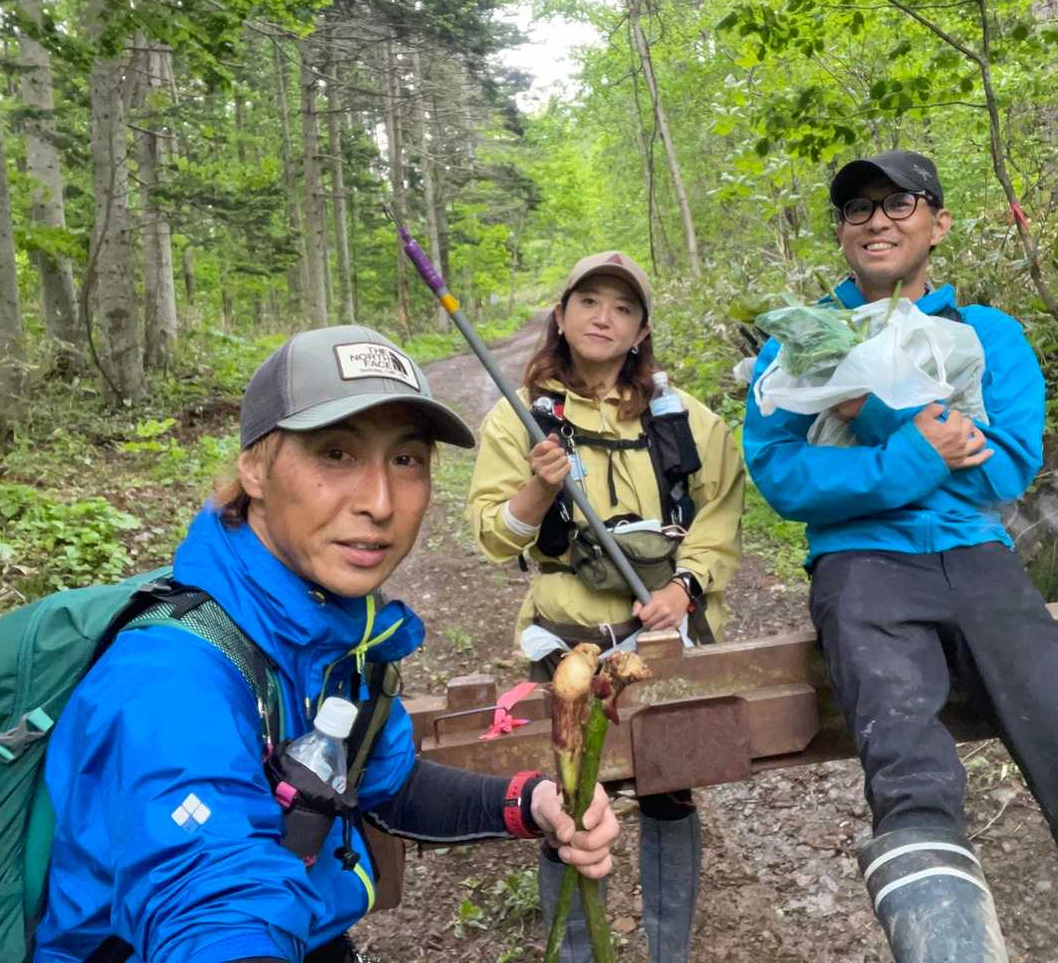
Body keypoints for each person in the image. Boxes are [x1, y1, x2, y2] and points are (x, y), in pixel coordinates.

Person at [34, 325, 619, 963]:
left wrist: (534, 802)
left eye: (407, 460)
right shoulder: (170, 678)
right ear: (254, 467)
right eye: (335, 453)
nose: (380, 502)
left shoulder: (327, 630)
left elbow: (387, 785)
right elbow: (210, 902)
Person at [742, 152, 1058, 963]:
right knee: (907, 762)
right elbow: (785, 478)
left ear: (938, 223)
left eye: (899, 202)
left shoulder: (987, 335)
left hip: (980, 557)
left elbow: (1005, 468)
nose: (877, 220)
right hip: (861, 564)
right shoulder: (799, 342)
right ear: (841, 234)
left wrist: (871, 410)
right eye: (856, 209)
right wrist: (920, 448)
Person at [466, 251, 745, 963]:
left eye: (623, 308)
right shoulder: (521, 418)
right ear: (561, 316)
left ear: (641, 330)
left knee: (670, 789)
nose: (603, 318)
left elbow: (720, 507)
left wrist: (686, 586)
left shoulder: (683, 418)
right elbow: (495, 537)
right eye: (588, 301)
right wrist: (538, 488)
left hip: (661, 640)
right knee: (571, 802)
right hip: (567, 647)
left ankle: (670, 952)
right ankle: (576, 952)